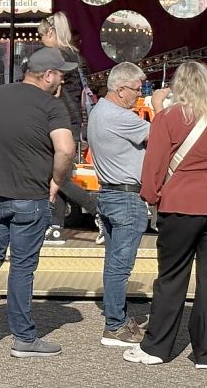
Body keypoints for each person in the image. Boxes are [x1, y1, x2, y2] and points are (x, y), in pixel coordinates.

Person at [123, 61, 207, 368]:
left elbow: (155, 165)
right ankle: (205, 353)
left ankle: (157, 348)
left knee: (171, 278)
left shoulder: (168, 118)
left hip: (179, 206)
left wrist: (152, 196)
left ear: (178, 86)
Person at [0, 47, 75, 358]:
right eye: (60, 74)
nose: (62, 80)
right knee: (22, 267)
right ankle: (24, 338)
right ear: (48, 75)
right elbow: (65, 149)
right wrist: (56, 182)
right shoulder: (52, 105)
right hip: (31, 196)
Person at [86, 62, 166, 347]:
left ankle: (116, 319)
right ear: (120, 90)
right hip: (126, 197)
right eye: (137, 88)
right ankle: (115, 326)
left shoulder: (99, 112)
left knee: (113, 264)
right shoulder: (120, 117)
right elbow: (163, 136)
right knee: (120, 267)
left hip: (108, 194)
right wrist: (158, 106)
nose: (140, 94)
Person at [38, 11, 88, 245]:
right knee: (57, 174)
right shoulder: (75, 55)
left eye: (42, 35)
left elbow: (47, 88)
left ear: (51, 33)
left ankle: (98, 210)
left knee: (57, 175)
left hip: (59, 120)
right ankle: (56, 226)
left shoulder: (55, 57)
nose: (40, 40)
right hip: (73, 120)